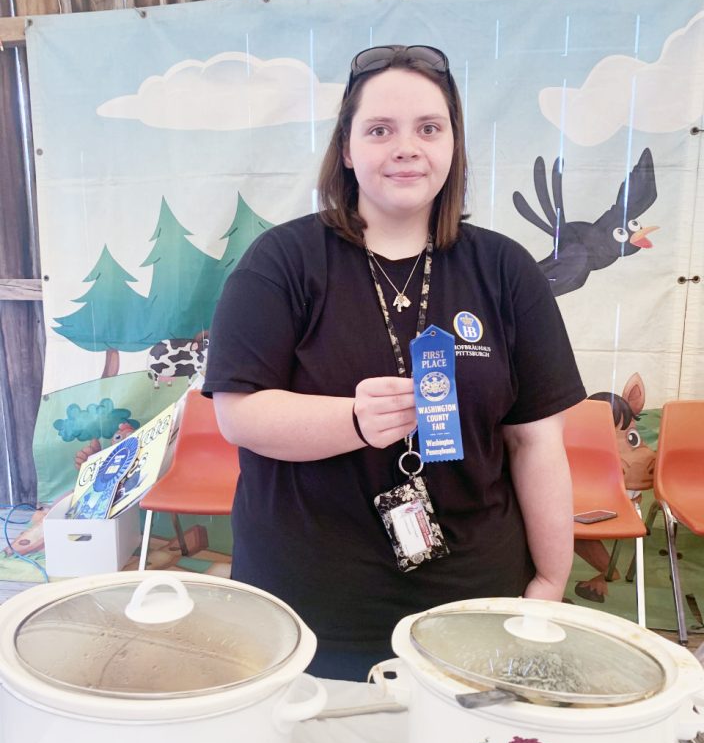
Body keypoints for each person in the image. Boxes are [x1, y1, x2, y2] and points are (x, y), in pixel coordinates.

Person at [202, 44, 586, 680]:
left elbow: (536, 443)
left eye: (429, 128)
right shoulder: (282, 262)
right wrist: (353, 420)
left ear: (453, 146)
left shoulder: (505, 270)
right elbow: (238, 415)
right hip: (308, 601)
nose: (406, 148)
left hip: (474, 599)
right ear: (347, 150)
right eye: (380, 130)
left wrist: (549, 580)